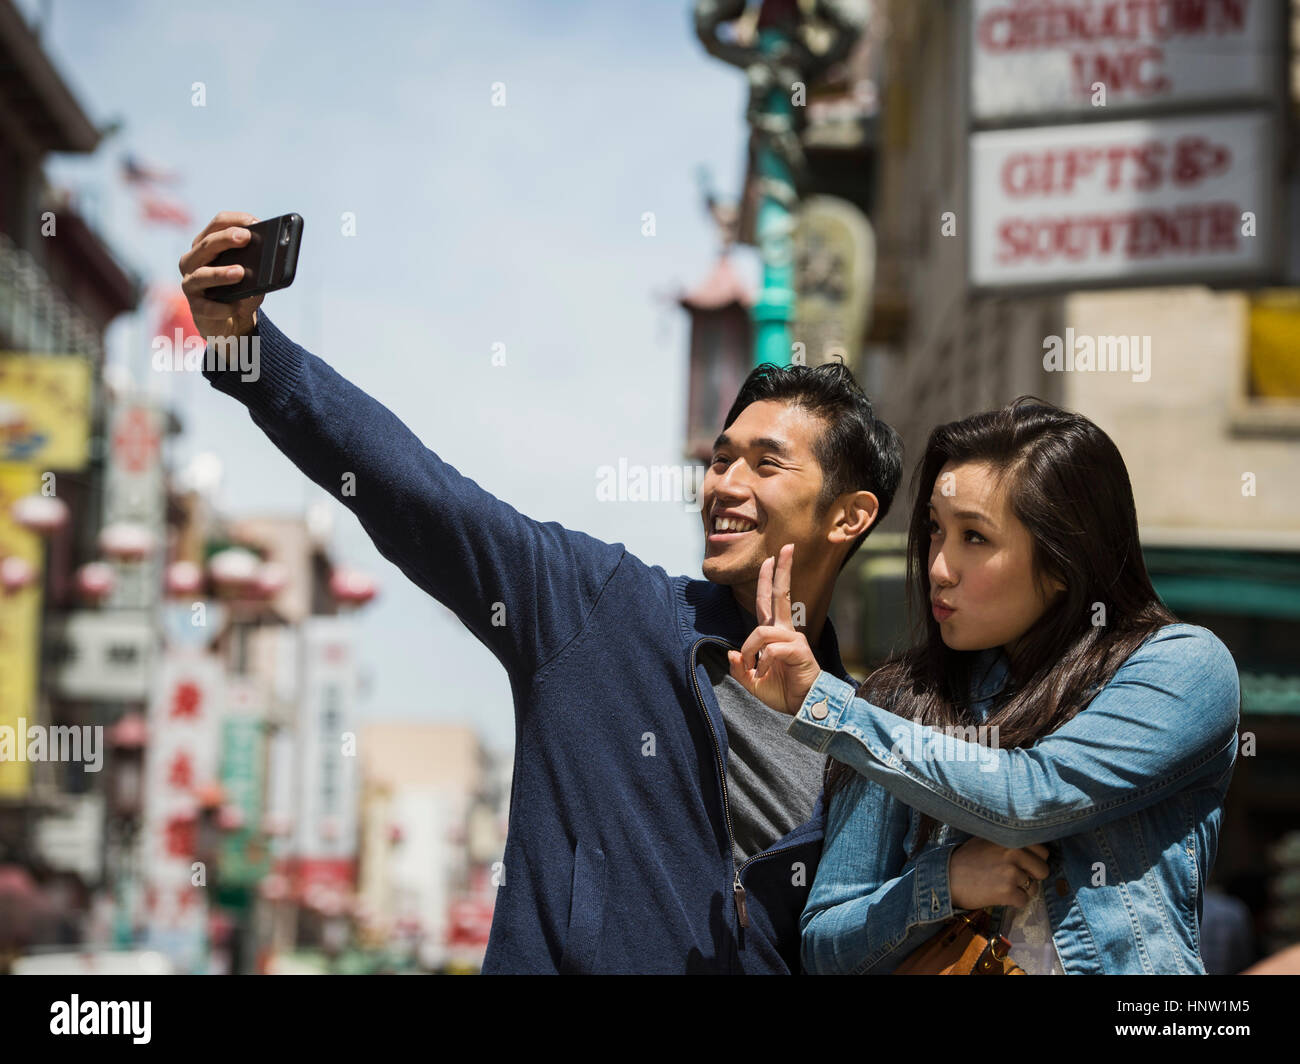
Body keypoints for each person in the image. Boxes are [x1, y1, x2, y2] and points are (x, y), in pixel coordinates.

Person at [177, 211, 904, 973]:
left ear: (850, 517)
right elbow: (419, 494)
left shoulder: (867, 740)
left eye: (765, 463)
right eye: (721, 459)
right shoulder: (601, 609)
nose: (724, 483)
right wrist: (250, 352)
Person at [727, 397, 1241, 974]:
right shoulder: (904, 699)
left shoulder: (1181, 667)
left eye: (975, 537)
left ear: (1061, 563)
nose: (939, 567)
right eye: (936, 530)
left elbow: (1030, 798)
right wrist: (943, 882)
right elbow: (825, 948)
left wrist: (830, 709)